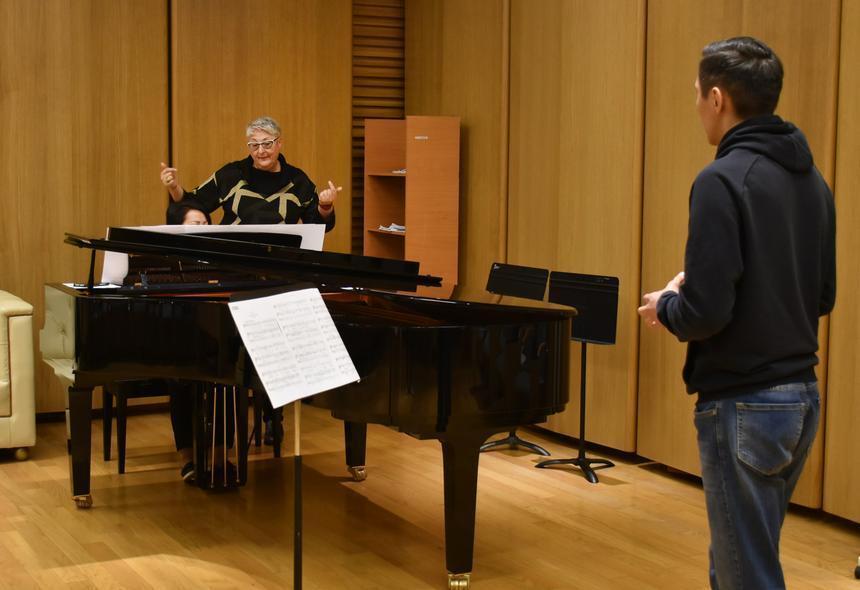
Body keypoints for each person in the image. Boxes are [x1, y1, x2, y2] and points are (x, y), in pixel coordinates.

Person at [637, 37, 836, 589]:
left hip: (744, 403)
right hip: (802, 399)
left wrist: (668, 304)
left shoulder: (720, 179)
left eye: (697, 95)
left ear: (718, 97)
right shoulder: (813, 182)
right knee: (742, 559)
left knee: (745, 572)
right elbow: (821, 298)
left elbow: (705, 312)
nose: (697, 106)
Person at [159, 116, 341, 230]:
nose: (260, 151)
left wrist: (325, 206)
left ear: (279, 143)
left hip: (281, 262)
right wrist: (174, 187)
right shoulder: (231, 175)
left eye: (267, 144)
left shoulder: (298, 180)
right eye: (254, 145)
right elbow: (193, 203)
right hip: (233, 261)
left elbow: (319, 227)